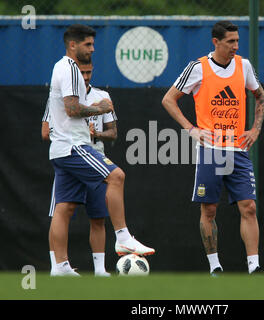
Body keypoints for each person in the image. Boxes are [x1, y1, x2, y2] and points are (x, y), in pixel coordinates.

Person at [47, 24, 154, 276]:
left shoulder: (60, 67)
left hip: (61, 149)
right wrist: (101, 108)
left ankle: (59, 266)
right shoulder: (71, 68)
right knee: (116, 176)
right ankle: (123, 237)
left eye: (93, 44)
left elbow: (72, 110)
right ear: (72, 45)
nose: (92, 49)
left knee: (64, 208)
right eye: (87, 44)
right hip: (73, 145)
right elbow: (73, 110)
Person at [162, 21, 264, 275]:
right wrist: (191, 129)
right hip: (210, 149)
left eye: (238, 41)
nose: (236, 46)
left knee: (249, 207)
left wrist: (255, 129)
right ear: (215, 42)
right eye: (231, 41)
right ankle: (215, 267)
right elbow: (168, 99)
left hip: (238, 150)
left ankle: (254, 267)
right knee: (209, 209)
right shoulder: (197, 68)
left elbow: (261, 95)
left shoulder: (244, 66)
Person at [42, 61, 118, 277]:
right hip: (70, 156)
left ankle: (100, 270)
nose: (84, 76)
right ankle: (56, 266)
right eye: (81, 72)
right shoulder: (57, 97)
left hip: (96, 160)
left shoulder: (102, 96)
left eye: (88, 72)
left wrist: (95, 134)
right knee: (62, 211)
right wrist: (72, 132)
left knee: (98, 217)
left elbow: (113, 133)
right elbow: (45, 132)